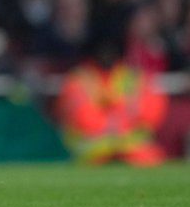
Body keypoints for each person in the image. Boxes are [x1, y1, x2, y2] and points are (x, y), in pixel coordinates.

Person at [55, 34, 167, 166]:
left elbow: (153, 110)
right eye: (102, 49)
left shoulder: (133, 78)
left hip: (132, 152)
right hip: (90, 154)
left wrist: (114, 116)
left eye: (111, 49)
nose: (107, 54)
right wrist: (118, 120)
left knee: (150, 157)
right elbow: (83, 119)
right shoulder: (79, 79)